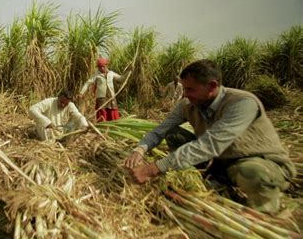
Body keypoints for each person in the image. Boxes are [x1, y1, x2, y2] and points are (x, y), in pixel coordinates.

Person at [124, 59, 295, 214]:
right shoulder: (188, 104)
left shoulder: (242, 103)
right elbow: (161, 130)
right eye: (184, 88)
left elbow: (210, 144)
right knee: (173, 133)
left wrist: (154, 168)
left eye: (190, 89)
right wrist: (140, 149)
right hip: (220, 162)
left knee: (250, 172)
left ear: (212, 86)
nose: (185, 94)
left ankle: (266, 211)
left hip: (260, 163)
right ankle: (216, 183)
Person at [78, 57, 123, 122]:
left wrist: (128, 71)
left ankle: (113, 128)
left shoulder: (111, 73)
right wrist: (81, 93)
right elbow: (88, 83)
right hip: (101, 98)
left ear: (106, 66)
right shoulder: (96, 75)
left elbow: (121, 79)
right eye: (100, 67)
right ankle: (103, 129)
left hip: (111, 97)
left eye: (103, 66)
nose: (102, 68)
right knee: (102, 114)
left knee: (113, 113)